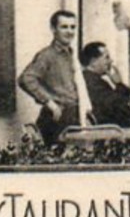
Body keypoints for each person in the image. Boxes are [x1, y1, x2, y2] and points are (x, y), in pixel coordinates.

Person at [18, 10, 86, 145]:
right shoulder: (47, 55)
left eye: (73, 27)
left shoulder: (69, 54)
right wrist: (49, 103)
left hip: (73, 115)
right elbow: (26, 78)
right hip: (57, 117)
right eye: (64, 27)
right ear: (53, 29)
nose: (69, 31)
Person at [80, 42, 130, 128]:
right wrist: (119, 84)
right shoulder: (92, 82)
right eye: (106, 57)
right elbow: (114, 107)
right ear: (93, 61)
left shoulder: (94, 80)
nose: (111, 61)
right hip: (111, 132)